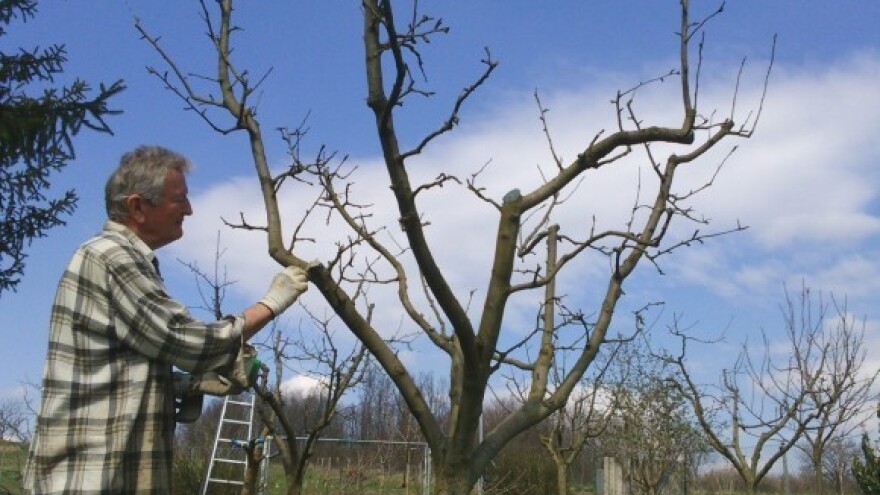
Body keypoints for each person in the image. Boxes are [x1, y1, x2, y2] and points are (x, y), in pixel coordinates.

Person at [23, 145, 308, 493]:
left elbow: (127, 366)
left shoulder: (123, 259)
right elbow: (183, 340)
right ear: (137, 207)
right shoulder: (111, 256)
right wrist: (271, 303)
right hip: (90, 477)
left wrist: (190, 384)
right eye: (179, 199)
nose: (189, 209)